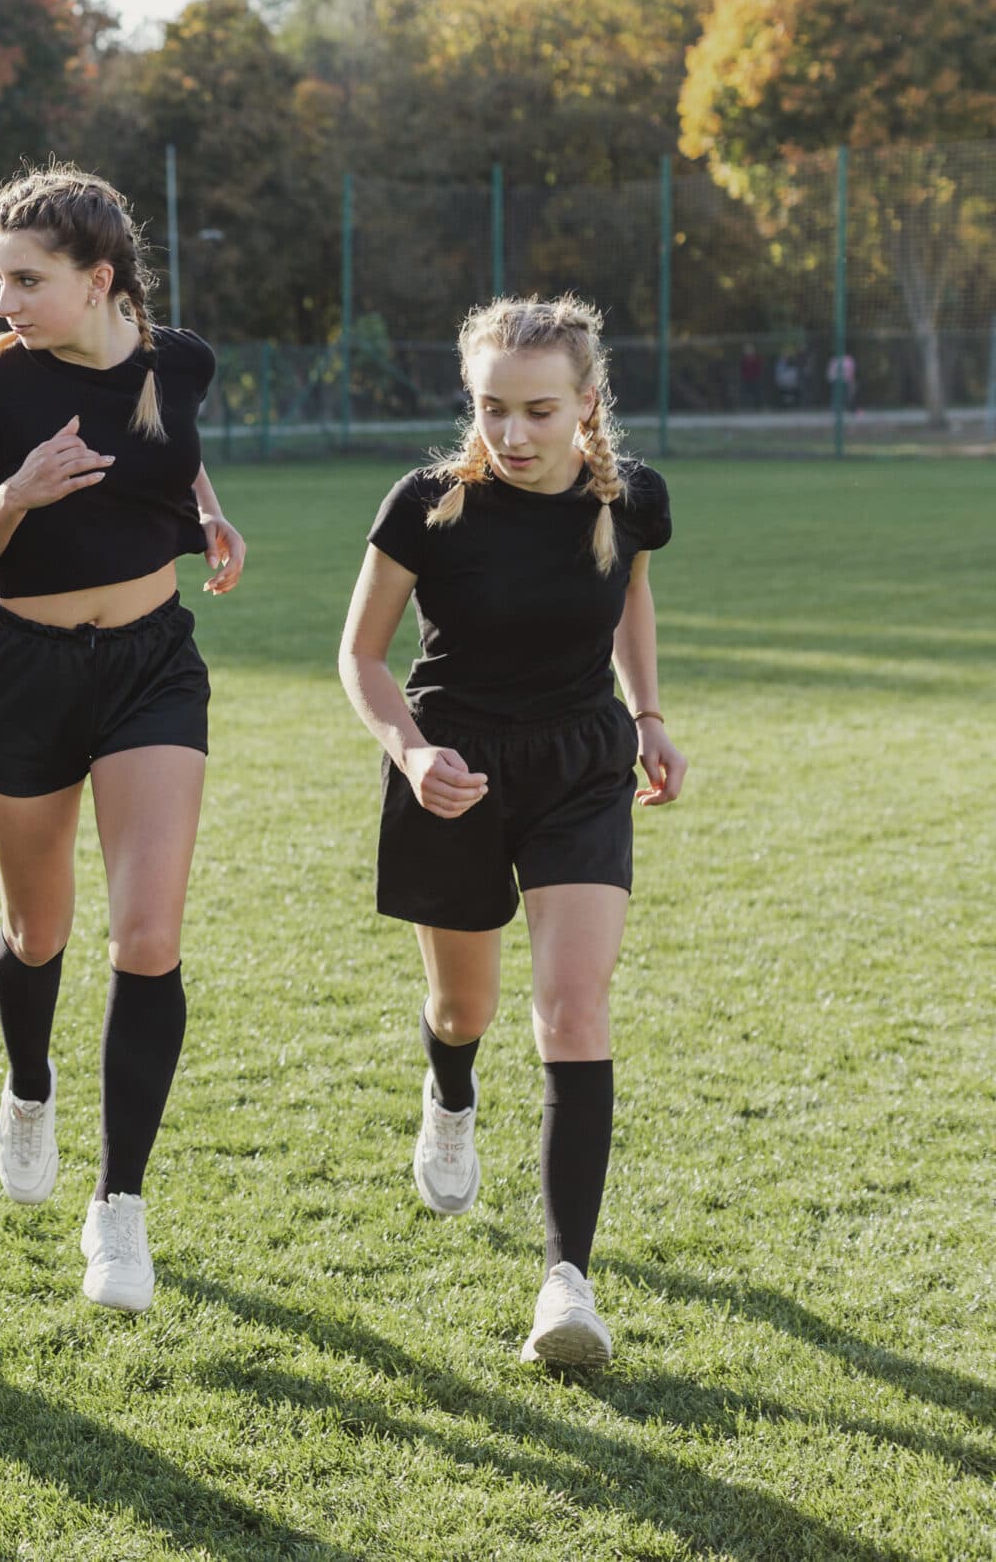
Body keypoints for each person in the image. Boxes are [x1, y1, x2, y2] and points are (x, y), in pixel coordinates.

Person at [337, 293, 684, 1368]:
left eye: (539, 410)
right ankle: (449, 1092)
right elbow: (360, 656)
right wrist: (411, 755)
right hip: (457, 768)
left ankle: (565, 1284)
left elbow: (625, 597)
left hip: (582, 766)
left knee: (573, 1007)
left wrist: (648, 715)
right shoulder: (426, 505)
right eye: (492, 409)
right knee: (461, 1005)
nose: (514, 435)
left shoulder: (628, 499)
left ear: (587, 405)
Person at [0, 165, 245, 1315]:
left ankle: (118, 1210)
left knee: (147, 936)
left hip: (153, 665)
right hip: (27, 672)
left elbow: (173, 441)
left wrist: (205, 510)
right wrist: (19, 492)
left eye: (29, 280)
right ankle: (28, 1083)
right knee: (35, 927)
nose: (6, 300)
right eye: (0, 278)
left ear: (98, 279)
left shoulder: (181, 360)